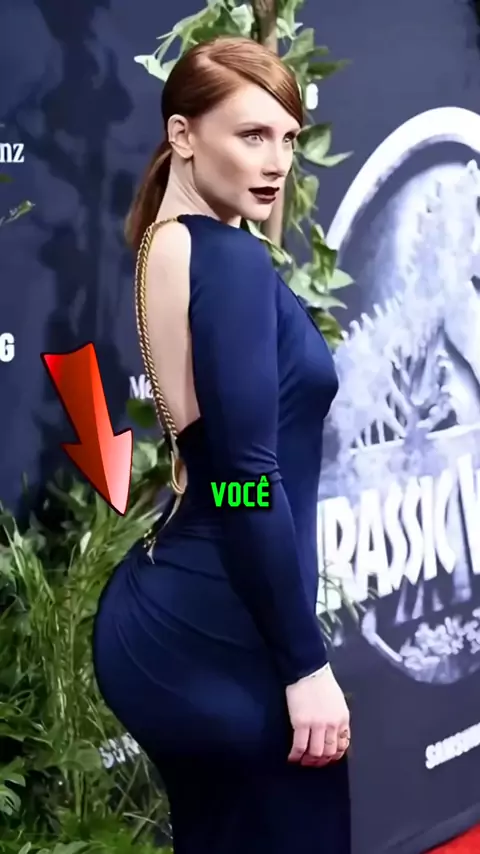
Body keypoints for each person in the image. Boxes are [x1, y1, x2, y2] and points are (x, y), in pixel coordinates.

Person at [92, 35, 351, 854]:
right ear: (182, 135)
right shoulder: (228, 259)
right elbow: (245, 481)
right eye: (252, 135)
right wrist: (304, 667)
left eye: (288, 138)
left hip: (180, 611)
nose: (277, 163)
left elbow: (221, 475)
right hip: (228, 627)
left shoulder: (164, 241)